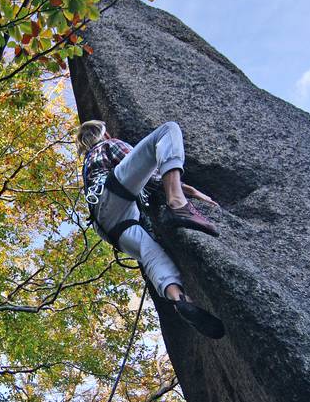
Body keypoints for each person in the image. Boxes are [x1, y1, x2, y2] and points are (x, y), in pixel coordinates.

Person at [77, 119, 225, 339]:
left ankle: (179, 299)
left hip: (107, 226)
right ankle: (178, 202)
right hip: (114, 194)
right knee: (168, 130)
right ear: (104, 135)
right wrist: (188, 190)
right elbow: (144, 173)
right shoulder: (108, 145)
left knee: (151, 254)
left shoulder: (87, 165)